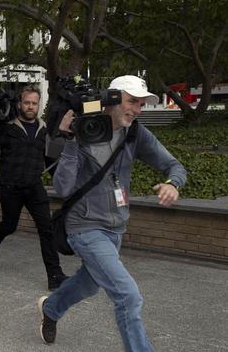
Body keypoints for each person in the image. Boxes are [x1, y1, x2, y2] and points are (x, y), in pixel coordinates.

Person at [37, 75, 187, 351]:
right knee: (128, 296)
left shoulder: (134, 133)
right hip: (84, 226)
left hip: (116, 227)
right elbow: (63, 187)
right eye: (132, 101)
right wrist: (69, 140)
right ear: (112, 99)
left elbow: (174, 165)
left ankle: (51, 307)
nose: (137, 109)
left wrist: (172, 184)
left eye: (141, 104)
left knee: (91, 284)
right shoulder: (82, 131)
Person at [0, 86, 68, 290]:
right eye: (27, 102)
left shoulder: (43, 130)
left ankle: (54, 275)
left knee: (46, 229)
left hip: (34, 187)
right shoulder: (7, 126)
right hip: (10, 187)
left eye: (34, 103)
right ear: (19, 103)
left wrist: (65, 186)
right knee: (9, 225)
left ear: (39, 105)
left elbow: (50, 161)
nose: (30, 106)